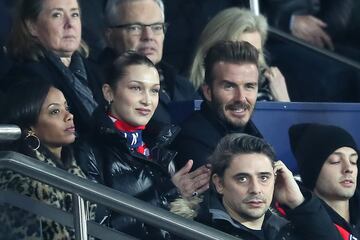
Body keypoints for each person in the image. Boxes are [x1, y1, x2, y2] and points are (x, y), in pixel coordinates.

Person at [80, 51, 210, 239]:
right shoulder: (89, 149)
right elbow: (98, 227)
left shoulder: (158, 143)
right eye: (136, 88)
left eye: (154, 90)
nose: (147, 100)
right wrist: (171, 193)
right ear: (109, 92)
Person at [172, 133, 343, 239]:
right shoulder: (195, 231)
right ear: (219, 183)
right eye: (242, 179)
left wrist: (298, 202)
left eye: (264, 177)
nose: (255, 188)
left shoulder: (288, 228)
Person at [0, 79, 96, 239]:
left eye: (67, 108)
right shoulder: (24, 182)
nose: (69, 115)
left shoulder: (73, 166)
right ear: (30, 128)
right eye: (55, 112)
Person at [2, 0, 104, 136]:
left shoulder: (95, 71)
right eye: (57, 15)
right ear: (32, 26)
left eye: (74, 14)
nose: (70, 24)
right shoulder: (25, 79)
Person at [100, 0, 198, 124]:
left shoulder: (183, 85)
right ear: (109, 36)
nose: (148, 36)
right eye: (135, 28)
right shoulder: (95, 84)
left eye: (156, 27)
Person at [172, 40, 262, 170]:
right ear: (208, 92)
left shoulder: (253, 134)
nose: (241, 98)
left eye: (249, 86)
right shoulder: (191, 140)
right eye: (229, 86)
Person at [189, 7, 290, 102]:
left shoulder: (270, 87)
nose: (249, 60)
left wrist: (284, 103)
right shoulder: (190, 95)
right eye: (240, 53)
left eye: (255, 54)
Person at [289, 123, 360, 239]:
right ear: (311, 171)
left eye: (353, 161)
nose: (348, 169)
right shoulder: (293, 227)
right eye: (335, 161)